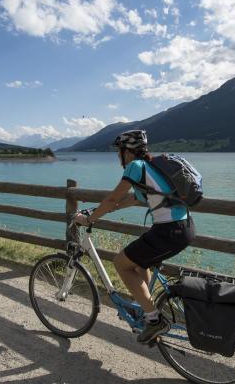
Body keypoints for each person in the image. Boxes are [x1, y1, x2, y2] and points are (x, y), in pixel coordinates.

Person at [74, 130, 196, 343]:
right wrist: (96, 211)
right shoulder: (149, 169)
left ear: (127, 152)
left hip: (169, 230)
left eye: (118, 152)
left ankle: (154, 320)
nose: (117, 157)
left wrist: (90, 219)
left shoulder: (135, 166)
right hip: (183, 227)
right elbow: (131, 200)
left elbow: (113, 198)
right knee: (140, 265)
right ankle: (149, 309)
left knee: (121, 263)